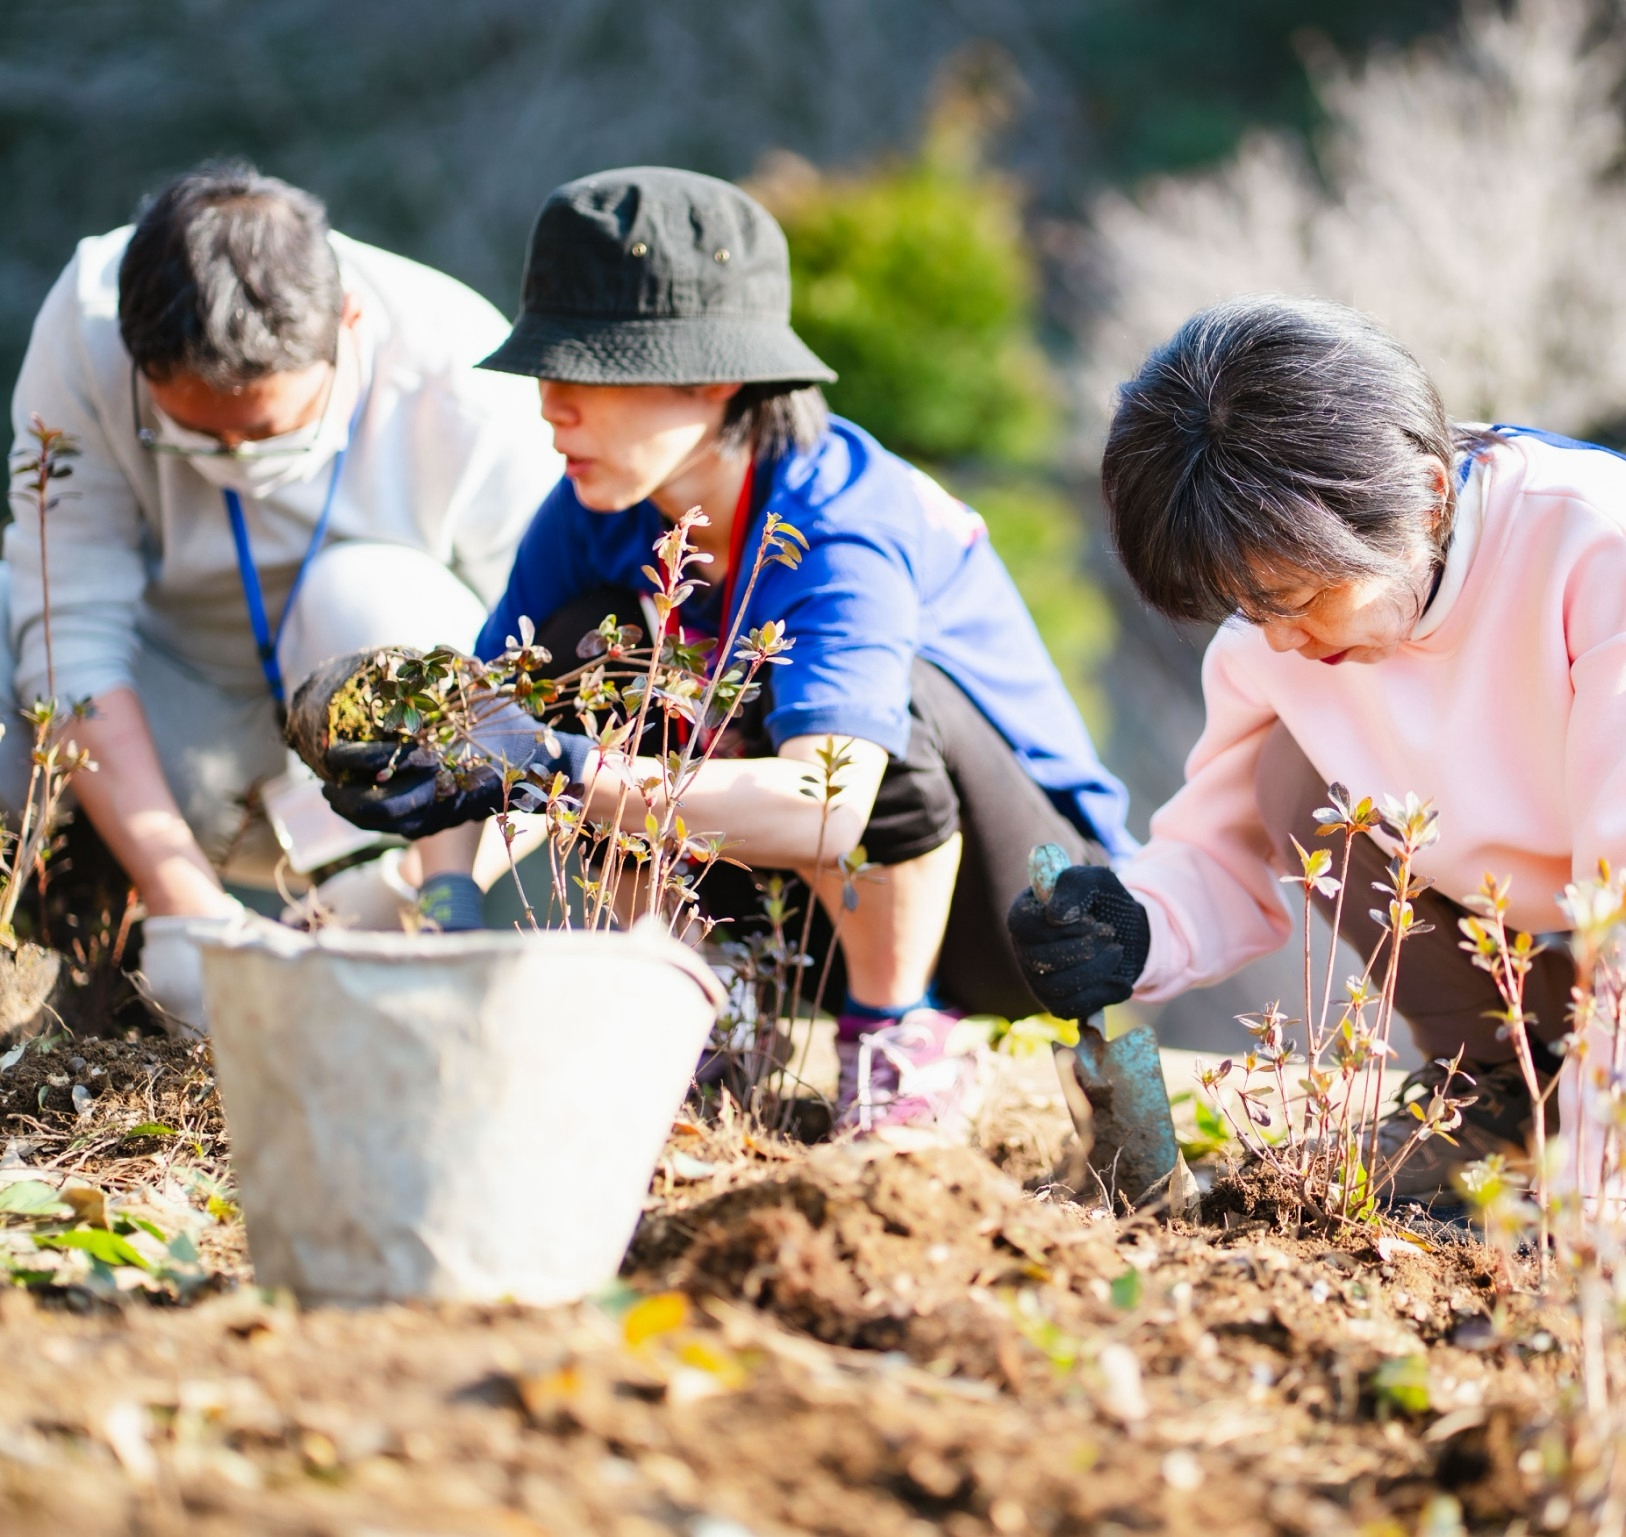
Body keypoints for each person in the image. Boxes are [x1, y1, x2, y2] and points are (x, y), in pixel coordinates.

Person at [1007, 295, 1626, 1297]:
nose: (1276, 635)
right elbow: (1223, 838)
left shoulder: (1605, 553)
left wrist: (1593, 1217)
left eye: (1299, 597)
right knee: (1288, 770)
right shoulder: (1279, 631)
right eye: (1243, 602)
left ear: (1423, 497)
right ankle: (1492, 1098)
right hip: (1567, 997)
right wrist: (1132, 925)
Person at [317, 166, 1133, 1136]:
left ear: (713, 379)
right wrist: (444, 896)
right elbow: (497, 718)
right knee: (587, 647)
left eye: (583, 372)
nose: (548, 407)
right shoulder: (595, 510)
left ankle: (895, 1037)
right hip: (810, 917)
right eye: (544, 371)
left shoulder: (840, 521)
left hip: (1026, 917)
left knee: (875, 715)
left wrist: (559, 769)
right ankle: (696, 1001)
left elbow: (828, 808)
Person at [3, 160, 562, 1027]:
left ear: (348, 323)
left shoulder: (467, 376)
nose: (232, 459)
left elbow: (555, 702)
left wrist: (416, 884)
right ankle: (87, 958)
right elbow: (68, 627)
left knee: (367, 592)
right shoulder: (86, 324)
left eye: (264, 431)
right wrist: (184, 899)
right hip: (162, 742)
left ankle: (410, 927)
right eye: (193, 434)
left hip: (379, 795)